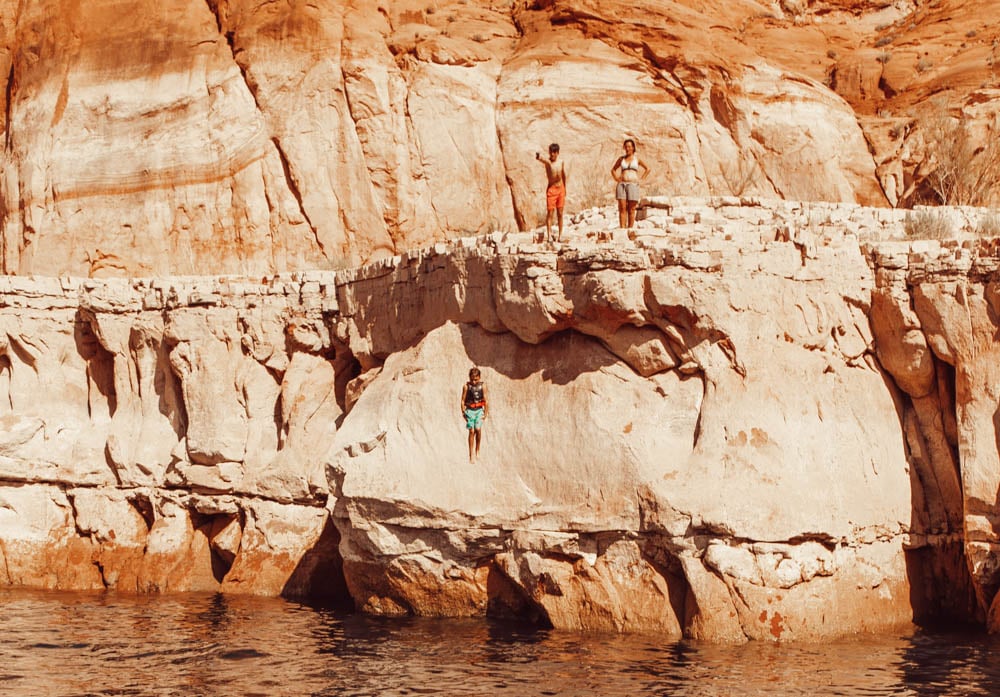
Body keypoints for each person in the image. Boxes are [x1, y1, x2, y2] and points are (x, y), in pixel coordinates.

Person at [610, 138, 650, 229]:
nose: (627, 148)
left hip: (633, 185)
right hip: (622, 185)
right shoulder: (621, 159)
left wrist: (642, 180)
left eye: (629, 146)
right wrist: (616, 178)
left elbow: (648, 169)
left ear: (633, 148)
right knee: (622, 208)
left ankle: (630, 229)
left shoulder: (637, 159)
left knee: (631, 209)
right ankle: (622, 229)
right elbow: (613, 170)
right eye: (626, 146)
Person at [536, 143, 567, 242]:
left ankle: (560, 235)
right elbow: (541, 159)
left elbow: (563, 174)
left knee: (560, 213)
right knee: (550, 212)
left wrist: (565, 188)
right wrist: (538, 156)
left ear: (557, 153)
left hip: (560, 188)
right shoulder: (548, 162)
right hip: (552, 189)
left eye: (554, 152)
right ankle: (549, 235)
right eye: (551, 152)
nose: (552, 154)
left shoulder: (561, 162)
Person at [460, 367, 488, 463]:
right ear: (469, 377)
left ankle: (477, 450)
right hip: (470, 411)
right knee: (471, 431)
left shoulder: (483, 386)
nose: (474, 381)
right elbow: (463, 400)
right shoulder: (466, 387)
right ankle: (471, 453)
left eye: (476, 379)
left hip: (479, 410)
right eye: (472, 379)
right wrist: (463, 412)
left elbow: (486, 400)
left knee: (478, 429)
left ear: (479, 377)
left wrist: (486, 413)